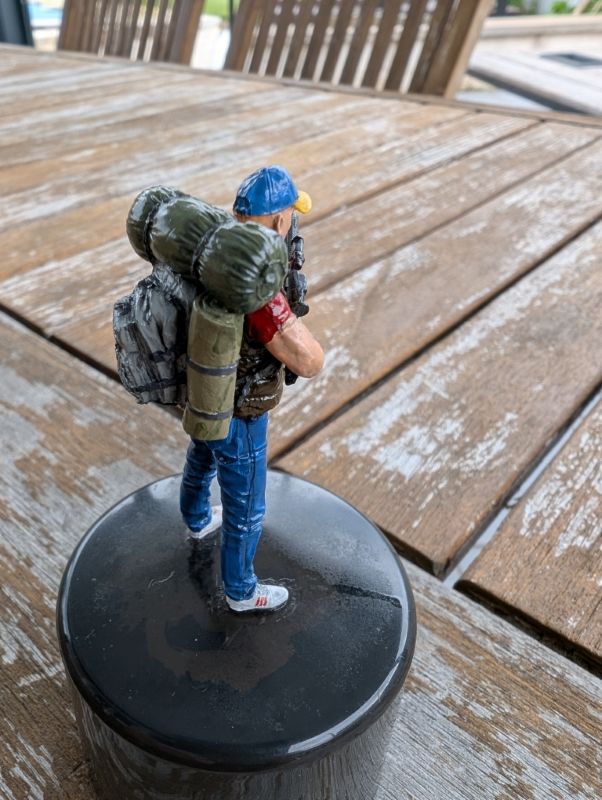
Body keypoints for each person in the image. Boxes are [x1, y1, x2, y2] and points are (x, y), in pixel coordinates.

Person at [179, 166, 324, 613]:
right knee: (246, 506)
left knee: (203, 452)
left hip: (207, 392)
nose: (292, 223)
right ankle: (241, 591)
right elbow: (309, 360)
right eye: (291, 215)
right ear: (280, 220)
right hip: (243, 408)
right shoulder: (257, 286)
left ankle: (196, 519)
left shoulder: (216, 250)